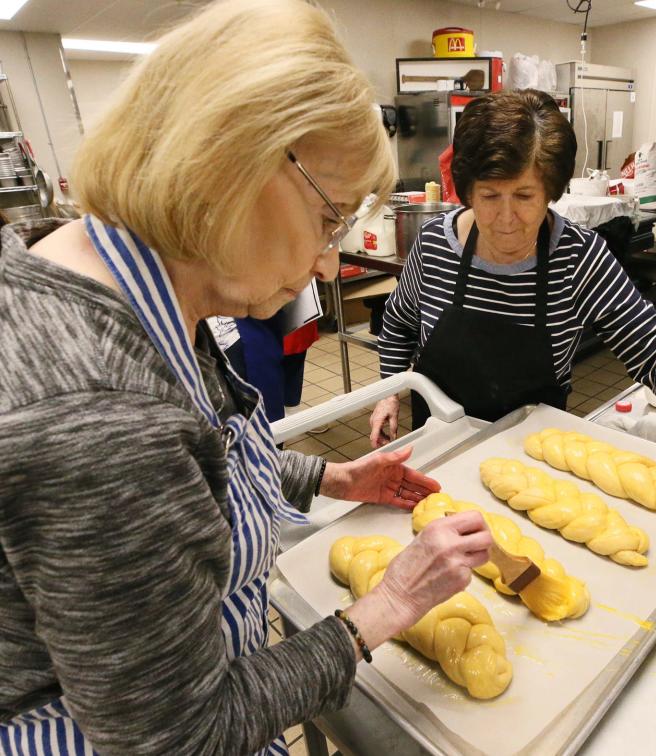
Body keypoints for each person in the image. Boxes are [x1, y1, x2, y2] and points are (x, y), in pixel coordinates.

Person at [0, 2, 494, 753]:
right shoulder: (104, 424)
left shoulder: (89, 273)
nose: (330, 263)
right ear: (227, 164)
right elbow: (180, 737)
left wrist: (326, 478)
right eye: (329, 220)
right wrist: (387, 608)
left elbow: (196, 468)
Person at [369, 89, 656, 453]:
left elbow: (651, 344)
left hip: (536, 454)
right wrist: (388, 390)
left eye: (523, 196)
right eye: (488, 195)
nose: (504, 218)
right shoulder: (433, 246)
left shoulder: (577, 255)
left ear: (552, 192)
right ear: (465, 190)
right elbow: (399, 325)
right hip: (437, 445)